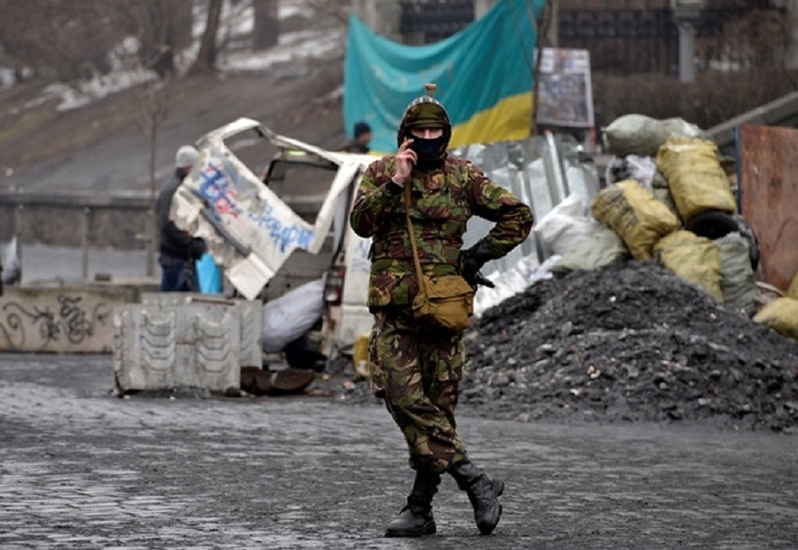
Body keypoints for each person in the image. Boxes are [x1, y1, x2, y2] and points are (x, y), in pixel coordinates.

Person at [349, 84, 533, 537]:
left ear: (445, 134)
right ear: (405, 135)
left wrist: (477, 255)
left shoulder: (463, 176)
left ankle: (420, 510)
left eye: (435, 129)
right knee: (403, 397)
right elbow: (360, 223)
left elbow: (518, 215)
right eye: (420, 129)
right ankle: (476, 481)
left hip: (445, 309)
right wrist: (396, 181)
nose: (428, 136)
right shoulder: (379, 172)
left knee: (437, 409)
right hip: (394, 311)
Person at [156, 144, 206, 292]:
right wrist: (191, 243)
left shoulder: (178, 189)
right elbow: (168, 224)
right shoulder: (173, 191)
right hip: (176, 257)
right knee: (172, 303)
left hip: (180, 257)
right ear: (187, 168)